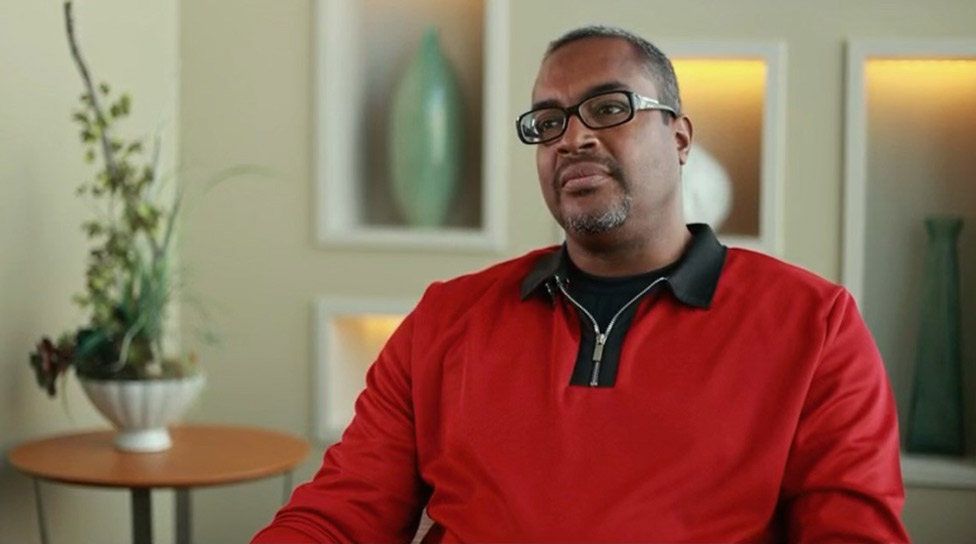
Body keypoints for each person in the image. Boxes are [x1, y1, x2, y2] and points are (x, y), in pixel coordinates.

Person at [252, 25, 909, 543]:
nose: (573, 138)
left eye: (607, 107)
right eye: (549, 122)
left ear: (679, 136)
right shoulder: (447, 317)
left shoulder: (815, 324)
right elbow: (340, 515)